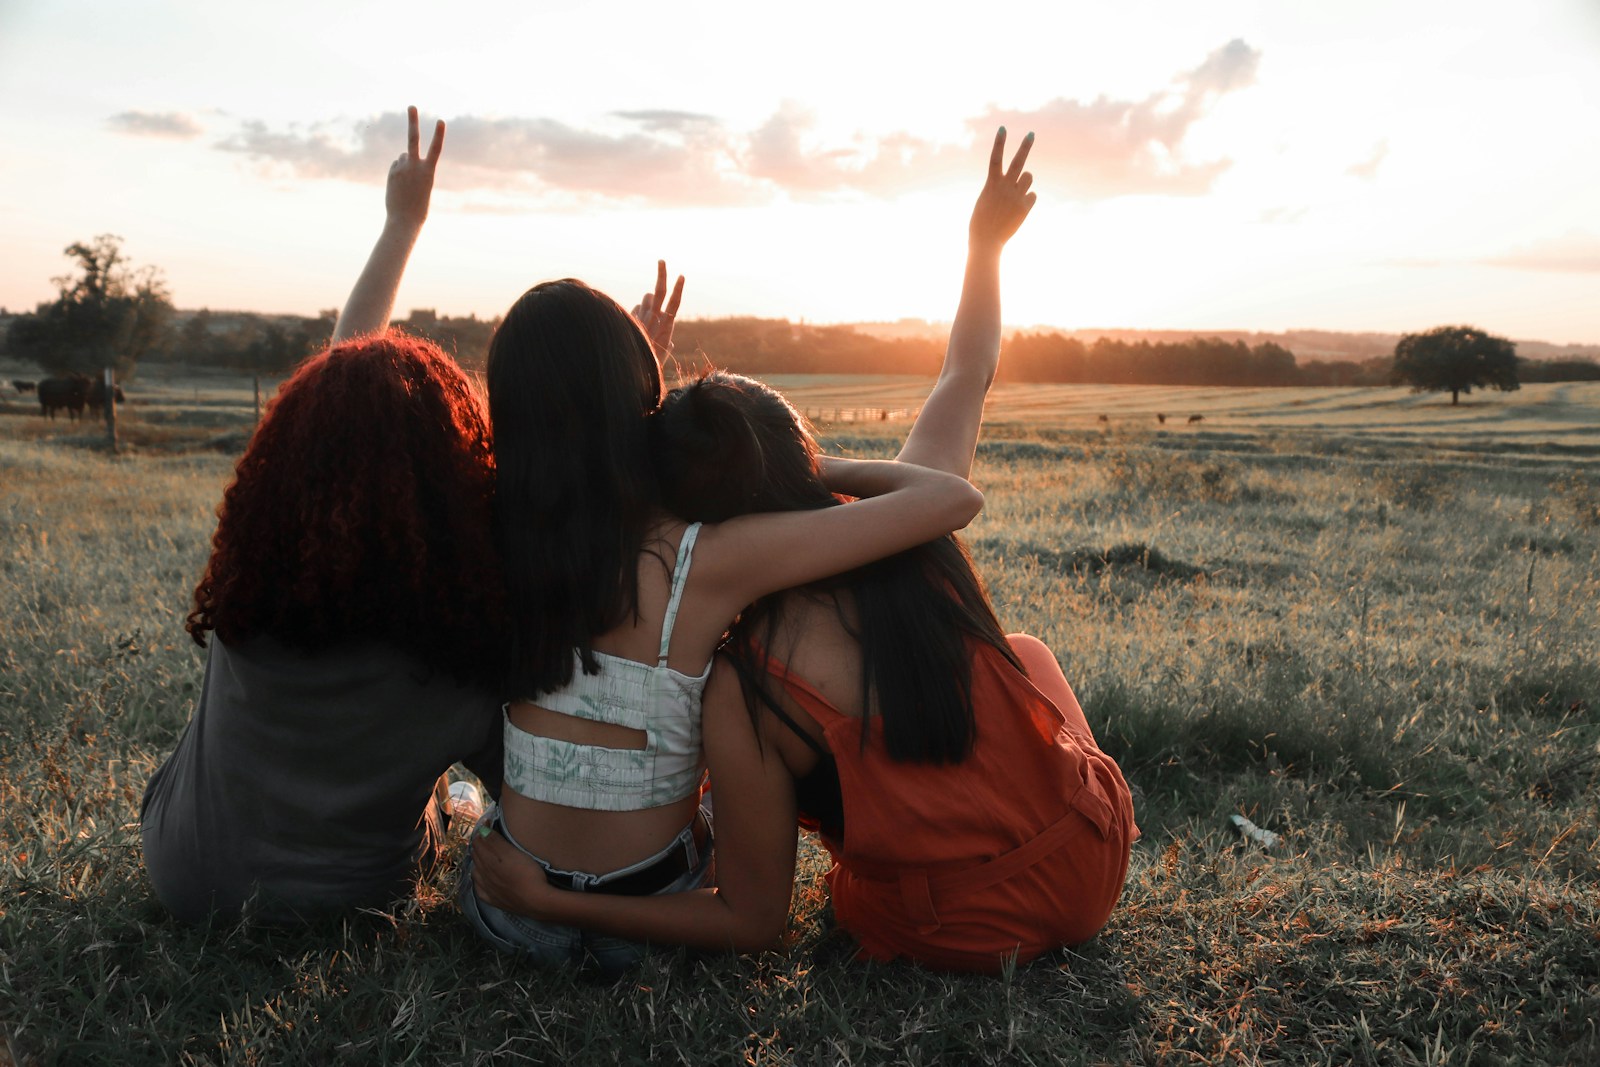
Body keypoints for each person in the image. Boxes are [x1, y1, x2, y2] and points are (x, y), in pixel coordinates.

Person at [470, 129, 1140, 973]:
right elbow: (964, 375)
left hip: (941, 924)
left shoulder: (708, 628)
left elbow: (756, 914)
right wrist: (983, 247)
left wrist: (634, 400)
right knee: (1027, 656)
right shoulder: (880, 522)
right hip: (1091, 861)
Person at [458, 239, 985, 977]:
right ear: (634, 408)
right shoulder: (699, 557)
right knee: (701, 801)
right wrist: (792, 462)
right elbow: (951, 498)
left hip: (509, 912)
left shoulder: (490, 531)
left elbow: (567, 446)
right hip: (649, 924)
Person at [140, 108, 507, 923]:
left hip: (184, 873)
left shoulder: (257, 584)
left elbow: (339, 406)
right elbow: (533, 789)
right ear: (454, 485)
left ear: (291, 459)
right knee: (449, 799)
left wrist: (400, 226)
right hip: (349, 904)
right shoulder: (454, 654)